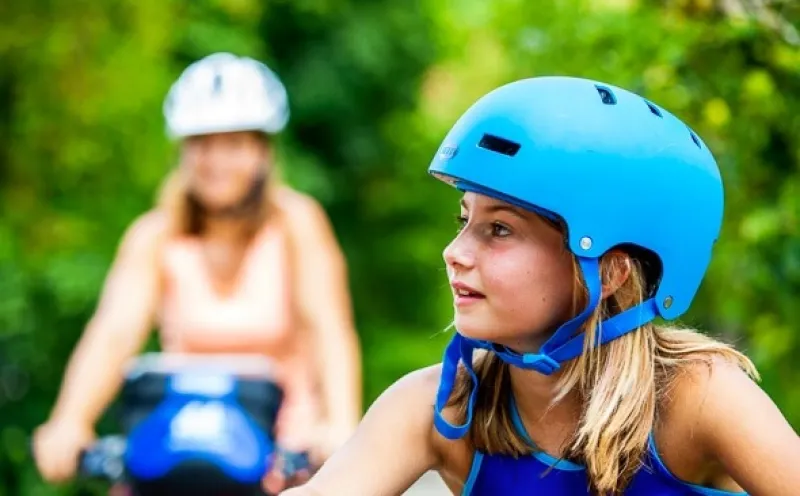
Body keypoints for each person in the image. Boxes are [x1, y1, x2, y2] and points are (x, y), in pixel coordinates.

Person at [282, 76, 800, 495]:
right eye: (463, 221)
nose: (455, 252)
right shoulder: (443, 407)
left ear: (613, 271)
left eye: (499, 229)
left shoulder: (699, 395)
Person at [32, 53, 362, 491]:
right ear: (183, 151)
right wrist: (70, 420)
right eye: (202, 143)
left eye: (235, 144)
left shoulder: (296, 224)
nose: (216, 160)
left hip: (277, 453)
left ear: (262, 151)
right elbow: (113, 332)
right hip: (175, 445)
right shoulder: (154, 235)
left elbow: (328, 330)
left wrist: (339, 423)